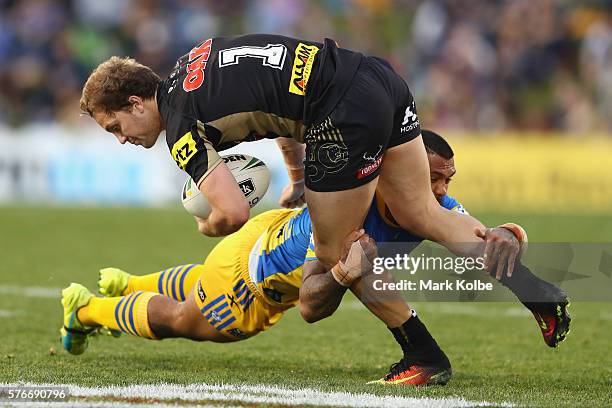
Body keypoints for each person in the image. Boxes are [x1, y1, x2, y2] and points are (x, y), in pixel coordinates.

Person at [60, 130, 570, 386]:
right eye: (431, 177)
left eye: (445, 181)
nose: (437, 190)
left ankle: (127, 282)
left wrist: (511, 236)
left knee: (362, 263)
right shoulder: (346, 215)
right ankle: (85, 310)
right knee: (182, 319)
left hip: (263, 234)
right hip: (249, 279)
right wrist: (345, 273)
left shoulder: (427, 205)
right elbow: (309, 305)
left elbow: (481, 239)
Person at [79, 34, 523, 288]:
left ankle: (421, 353)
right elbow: (275, 104)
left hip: (341, 110)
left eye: (114, 126)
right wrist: (295, 177)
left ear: (136, 103)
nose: (120, 140)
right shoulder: (193, 61)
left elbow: (232, 212)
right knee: (421, 210)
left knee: (334, 255)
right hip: (376, 76)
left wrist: (208, 225)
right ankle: (532, 287)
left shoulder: (181, 128)